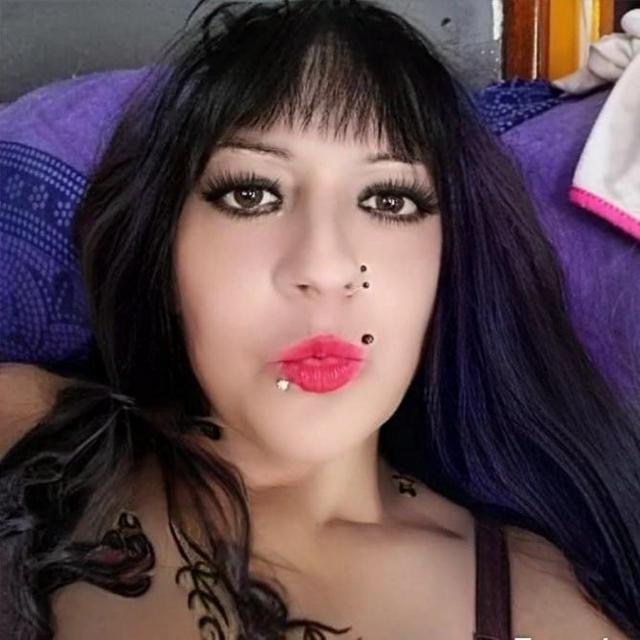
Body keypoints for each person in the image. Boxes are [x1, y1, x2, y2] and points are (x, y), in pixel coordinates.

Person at [1, 1, 639, 638]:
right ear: (164, 255)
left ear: (448, 267)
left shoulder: (545, 610)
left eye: (389, 199)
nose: (326, 267)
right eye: (252, 193)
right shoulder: (27, 428)